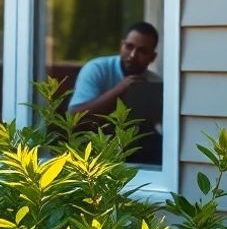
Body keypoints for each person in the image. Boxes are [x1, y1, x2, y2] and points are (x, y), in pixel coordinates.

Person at [69, 21, 162, 164]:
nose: (132, 55)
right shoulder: (96, 68)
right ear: (121, 45)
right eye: (129, 47)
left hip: (135, 146)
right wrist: (120, 90)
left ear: (152, 57)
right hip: (96, 144)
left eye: (142, 51)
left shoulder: (154, 82)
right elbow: (75, 117)